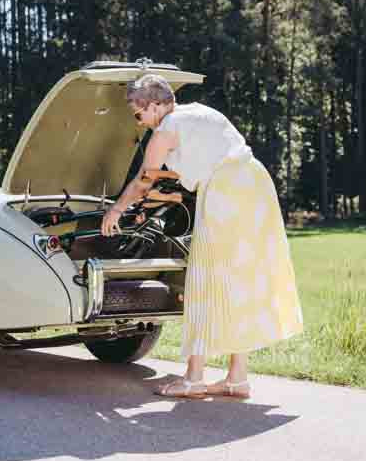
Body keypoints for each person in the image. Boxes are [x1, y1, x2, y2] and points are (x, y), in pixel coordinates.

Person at [101, 74, 303, 399]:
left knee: (205, 278)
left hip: (226, 193)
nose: (140, 123)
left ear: (154, 105)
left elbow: (144, 179)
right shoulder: (201, 112)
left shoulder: (165, 130)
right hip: (255, 184)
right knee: (242, 279)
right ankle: (237, 378)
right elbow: (178, 173)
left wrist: (115, 211)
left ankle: (194, 378)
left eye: (139, 115)